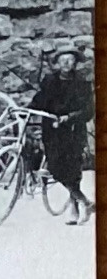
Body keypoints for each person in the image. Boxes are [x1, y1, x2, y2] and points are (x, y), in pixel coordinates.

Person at [31, 50, 95, 225]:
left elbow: (88, 110)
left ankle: (75, 207)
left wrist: (69, 118)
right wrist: (26, 111)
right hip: (52, 132)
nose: (67, 63)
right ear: (58, 63)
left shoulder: (81, 83)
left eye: (70, 60)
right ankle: (86, 202)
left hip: (73, 130)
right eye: (63, 60)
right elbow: (39, 100)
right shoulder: (50, 81)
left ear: (75, 63)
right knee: (56, 167)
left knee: (73, 169)